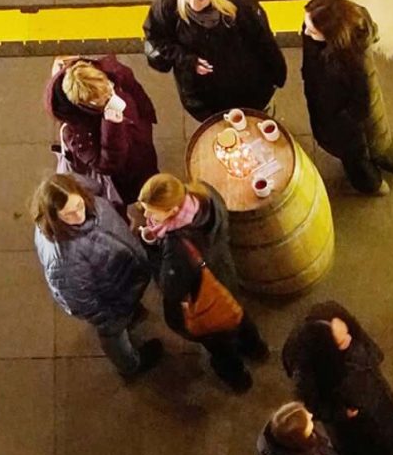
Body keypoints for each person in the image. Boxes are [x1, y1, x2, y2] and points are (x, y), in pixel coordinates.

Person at [134, 171, 266, 390]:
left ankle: (238, 379)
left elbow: (170, 287)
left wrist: (150, 247)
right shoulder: (205, 194)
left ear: (173, 211)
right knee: (238, 316)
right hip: (224, 274)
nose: (147, 215)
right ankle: (256, 349)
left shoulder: (177, 247)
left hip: (205, 296)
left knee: (219, 343)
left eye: (152, 212)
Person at [31, 172, 164, 379]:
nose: (78, 216)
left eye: (78, 206)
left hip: (124, 283)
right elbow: (79, 301)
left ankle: (130, 314)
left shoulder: (92, 201)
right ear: (53, 217)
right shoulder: (63, 260)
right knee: (113, 335)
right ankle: (130, 365)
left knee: (125, 317)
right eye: (68, 214)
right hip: (112, 301)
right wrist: (110, 317)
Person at [282, 303, 393, 455]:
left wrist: (373, 358)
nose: (348, 338)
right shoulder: (307, 367)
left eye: (347, 331)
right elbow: (307, 404)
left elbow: (365, 342)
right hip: (356, 430)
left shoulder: (334, 321)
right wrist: (341, 412)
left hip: (380, 405)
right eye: (340, 341)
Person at [141, 0, 285, 120]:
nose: (195, 5)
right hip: (204, 98)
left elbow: (263, 42)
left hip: (248, 89)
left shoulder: (241, 7)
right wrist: (186, 60)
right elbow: (155, 40)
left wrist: (277, 75)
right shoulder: (168, 3)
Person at [300, 0, 393, 195]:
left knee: (357, 158)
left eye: (312, 30)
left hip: (347, 126)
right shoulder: (327, 38)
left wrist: (337, 121)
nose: (306, 32)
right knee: (376, 148)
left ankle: (373, 185)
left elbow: (360, 106)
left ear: (333, 36)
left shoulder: (353, 63)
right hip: (335, 113)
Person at [49, 56, 160, 205]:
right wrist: (112, 126)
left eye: (108, 89)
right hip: (123, 176)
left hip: (140, 148)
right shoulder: (75, 131)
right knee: (130, 195)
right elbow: (106, 165)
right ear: (84, 103)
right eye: (101, 100)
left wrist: (145, 123)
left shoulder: (115, 74)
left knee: (148, 177)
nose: (109, 97)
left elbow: (139, 97)